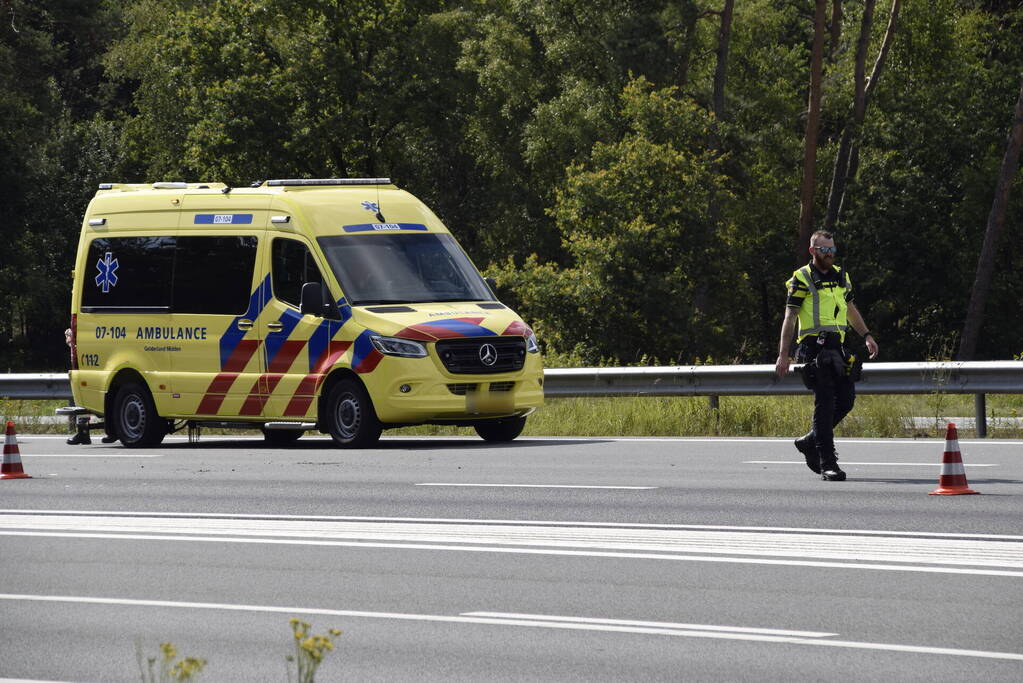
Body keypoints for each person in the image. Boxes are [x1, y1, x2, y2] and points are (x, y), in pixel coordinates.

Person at [775, 230, 879, 481]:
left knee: (846, 400)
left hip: (839, 347)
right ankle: (826, 462)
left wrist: (866, 335)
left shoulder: (842, 275)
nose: (829, 253)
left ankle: (810, 440)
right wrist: (783, 354)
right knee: (825, 405)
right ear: (813, 251)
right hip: (813, 349)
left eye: (832, 249)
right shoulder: (802, 278)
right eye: (824, 250)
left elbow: (850, 309)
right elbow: (790, 317)